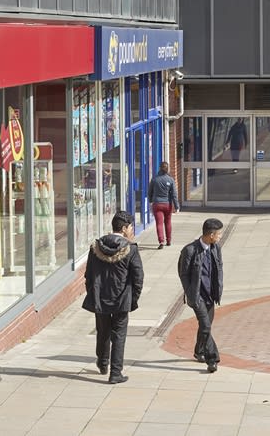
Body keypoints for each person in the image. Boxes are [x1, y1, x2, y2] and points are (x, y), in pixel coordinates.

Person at [82, 210, 144, 384]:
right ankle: (115, 373)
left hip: (100, 297)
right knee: (119, 335)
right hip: (122, 299)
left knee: (102, 331)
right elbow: (138, 278)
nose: (132, 230)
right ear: (124, 229)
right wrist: (133, 298)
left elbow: (88, 275)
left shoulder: (96, 247)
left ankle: (103, 363)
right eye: (131, 227)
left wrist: (92, 293)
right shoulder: (131, 249)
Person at [177, 218, 224, 372]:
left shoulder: (215, 248)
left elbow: (219, 268)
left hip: (211, 294)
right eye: (218, 234)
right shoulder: (189, 250)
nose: (220, 236)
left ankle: (199, 351)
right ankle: (212, 359)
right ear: (211, 235)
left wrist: (219, 288)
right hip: (197, 295)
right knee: (206, 325)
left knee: (205, 326)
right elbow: (183, 274)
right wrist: (190, 293)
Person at [148, 161, 180, 249]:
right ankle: (169, 241)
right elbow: (174, 194)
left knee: (159, 223)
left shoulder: (154, 179)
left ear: (159, 168)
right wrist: (176, 206)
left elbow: (150, 192)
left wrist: (150, 201)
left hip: (157, 204)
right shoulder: (170, 180)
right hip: (167, 204)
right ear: (167, 169)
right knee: (168, 222)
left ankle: (161, 241)